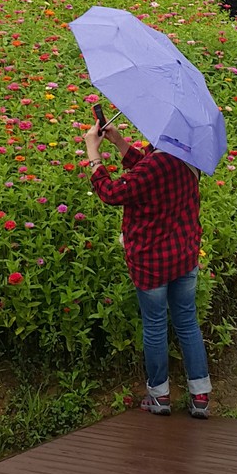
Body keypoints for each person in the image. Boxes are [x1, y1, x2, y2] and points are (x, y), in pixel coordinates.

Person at [84, 117, 211, 418]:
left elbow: (113, 193)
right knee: (187, 322)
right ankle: (200, 395)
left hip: (152, 262)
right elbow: (150, 169)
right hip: (184, 255)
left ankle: (159, 396)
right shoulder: (184, 153)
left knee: (155, 326)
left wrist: (93, 155)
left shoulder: (157, 163)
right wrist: (119, 142)